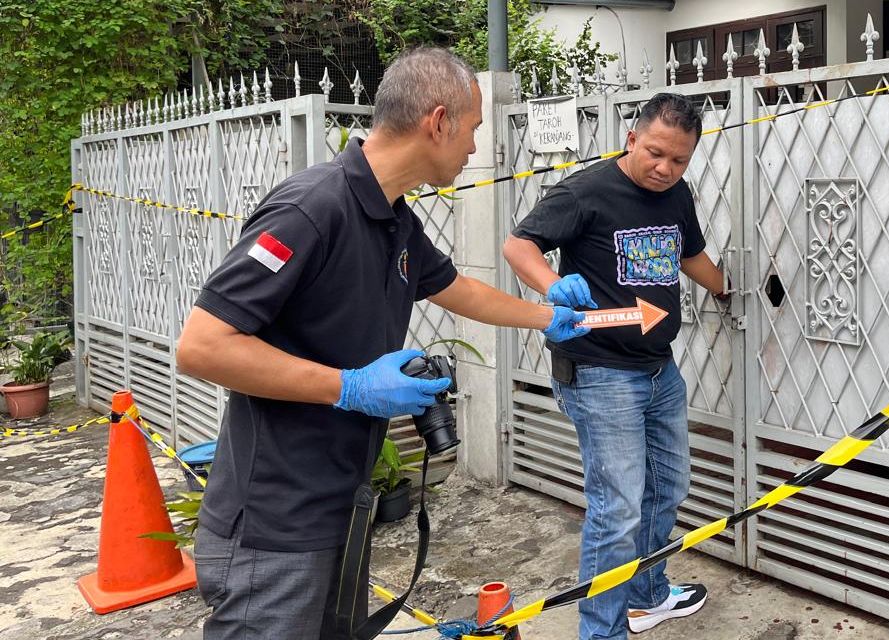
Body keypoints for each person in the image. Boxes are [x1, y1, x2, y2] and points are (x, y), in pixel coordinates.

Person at [175, 47, 588, 640]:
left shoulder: (394, 216)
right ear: (438, 121)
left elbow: (456, 288)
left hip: (343, 509)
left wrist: (544, 316)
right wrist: (351, 387)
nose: (474, 147)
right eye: (472, 129)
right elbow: (203, 346)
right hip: (275, 523)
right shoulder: (311, 208)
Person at [503, 92, 727, 640]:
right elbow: (518, 246)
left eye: (679, 160)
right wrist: (554, 287)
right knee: (617, 509)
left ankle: (647, 597)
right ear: (631, 139)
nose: (664, 168)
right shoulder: (586, 190)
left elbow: (688, 254)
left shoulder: (676, 195)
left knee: (668, 489)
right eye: (655, 153)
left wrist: (728, 289)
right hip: (600, 374)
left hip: (659, 369)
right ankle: (602, 632)